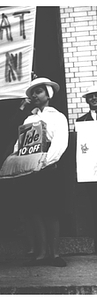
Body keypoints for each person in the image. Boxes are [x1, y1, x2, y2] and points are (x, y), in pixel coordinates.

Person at [8, 77, 69, 267]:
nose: (34, 95)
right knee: (34, 211)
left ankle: (55, 254)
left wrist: (46, 162)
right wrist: (17, 160)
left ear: (48, 93)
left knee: (50, 211)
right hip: (31, 169)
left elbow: (60, 143)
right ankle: (41, 253)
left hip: (48, 167)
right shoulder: (29, 119)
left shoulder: (57, 117)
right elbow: (20, 143)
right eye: (32, 92)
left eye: (39, 91)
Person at [75, 84, 97, 252]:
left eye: (96, 95)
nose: (94, 98)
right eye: (90, 96)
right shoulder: (81, 121)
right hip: (91, 171)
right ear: (86, 100)